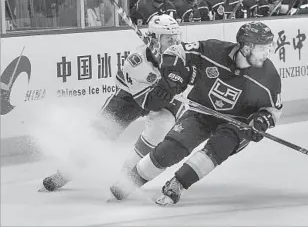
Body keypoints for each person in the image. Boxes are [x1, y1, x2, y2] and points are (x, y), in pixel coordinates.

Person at [109, 21, 282, 205]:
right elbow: (177, 51)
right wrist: (172, 76)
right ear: (246, 48)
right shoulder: (214, 50)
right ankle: (131, 181)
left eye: (268, 47)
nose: (267, 53)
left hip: (237, 124)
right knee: (170, 148)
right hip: (202, 112)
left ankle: (178, 183)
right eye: (261, 48)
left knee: (219, 146)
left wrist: (261, 121)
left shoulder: (269, 76)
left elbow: (273, 109)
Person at [40, 14, 195, 191]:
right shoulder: (136, 62)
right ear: (154, 40)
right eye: (169, 39)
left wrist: (173, 81)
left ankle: (127, 176)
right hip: (130, 97)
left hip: (166, 99)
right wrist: (167, 84)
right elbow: (148, 103)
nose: (175, 43)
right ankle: (66, 172)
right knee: (99, 134)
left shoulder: (184, 54)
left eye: (176, 38)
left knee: (160, 129)